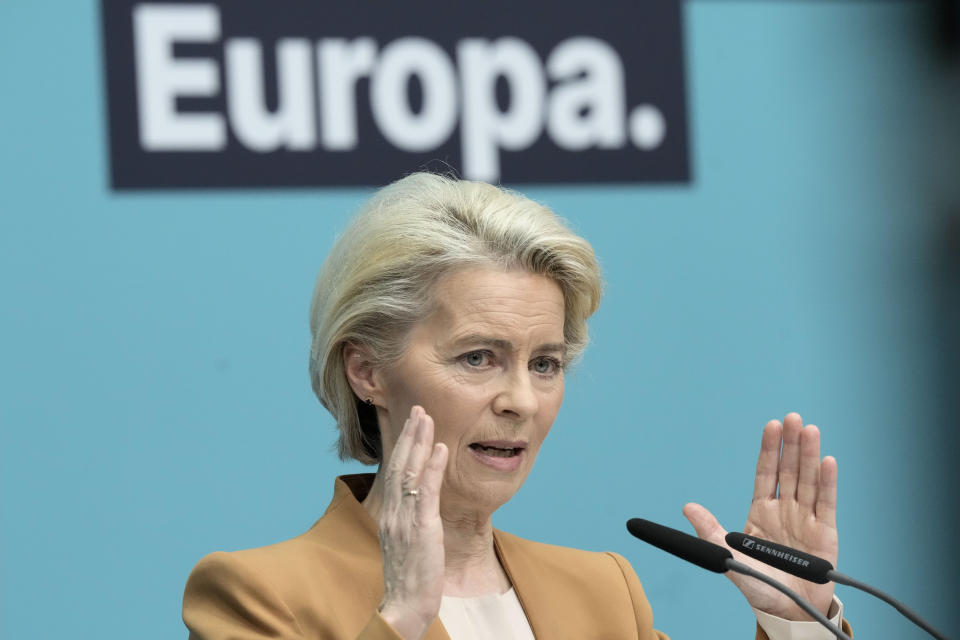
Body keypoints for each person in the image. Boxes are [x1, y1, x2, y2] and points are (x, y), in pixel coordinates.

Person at [182, 173, 852, 639]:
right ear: (367, 372)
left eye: (546, 364)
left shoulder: (602, 592)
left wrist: (795, 620)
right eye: (478, 357)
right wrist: (405, 614)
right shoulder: (259, 593)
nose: (521, 401)